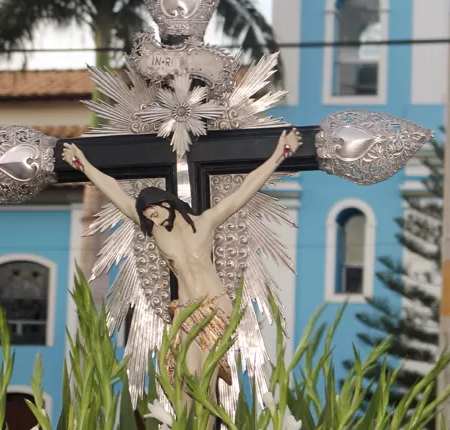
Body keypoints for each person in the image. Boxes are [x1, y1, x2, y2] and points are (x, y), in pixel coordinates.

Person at [63, 127, 302, 400]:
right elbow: (114, 190)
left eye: (153, 211)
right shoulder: (157, 233)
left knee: (208, 383)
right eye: (147, 217)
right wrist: (83, 165)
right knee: (187, 382)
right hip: (186, 311)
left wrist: (279, 155)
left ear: (166, 203)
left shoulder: (206, 222)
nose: (151, 219)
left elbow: (245, 189)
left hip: (216, 306)